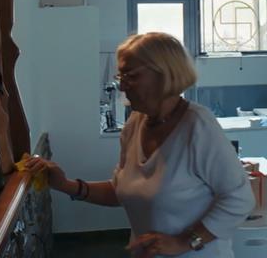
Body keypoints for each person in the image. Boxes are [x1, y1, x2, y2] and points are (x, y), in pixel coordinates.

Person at [26, 32, 255, 257]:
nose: (122, 86)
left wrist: (184, 242)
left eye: (131, 76)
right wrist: (65, 185)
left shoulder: (197, 126)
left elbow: (240, 199)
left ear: (164, 75)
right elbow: (122, 191)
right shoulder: (135, 123)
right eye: (121, 76)